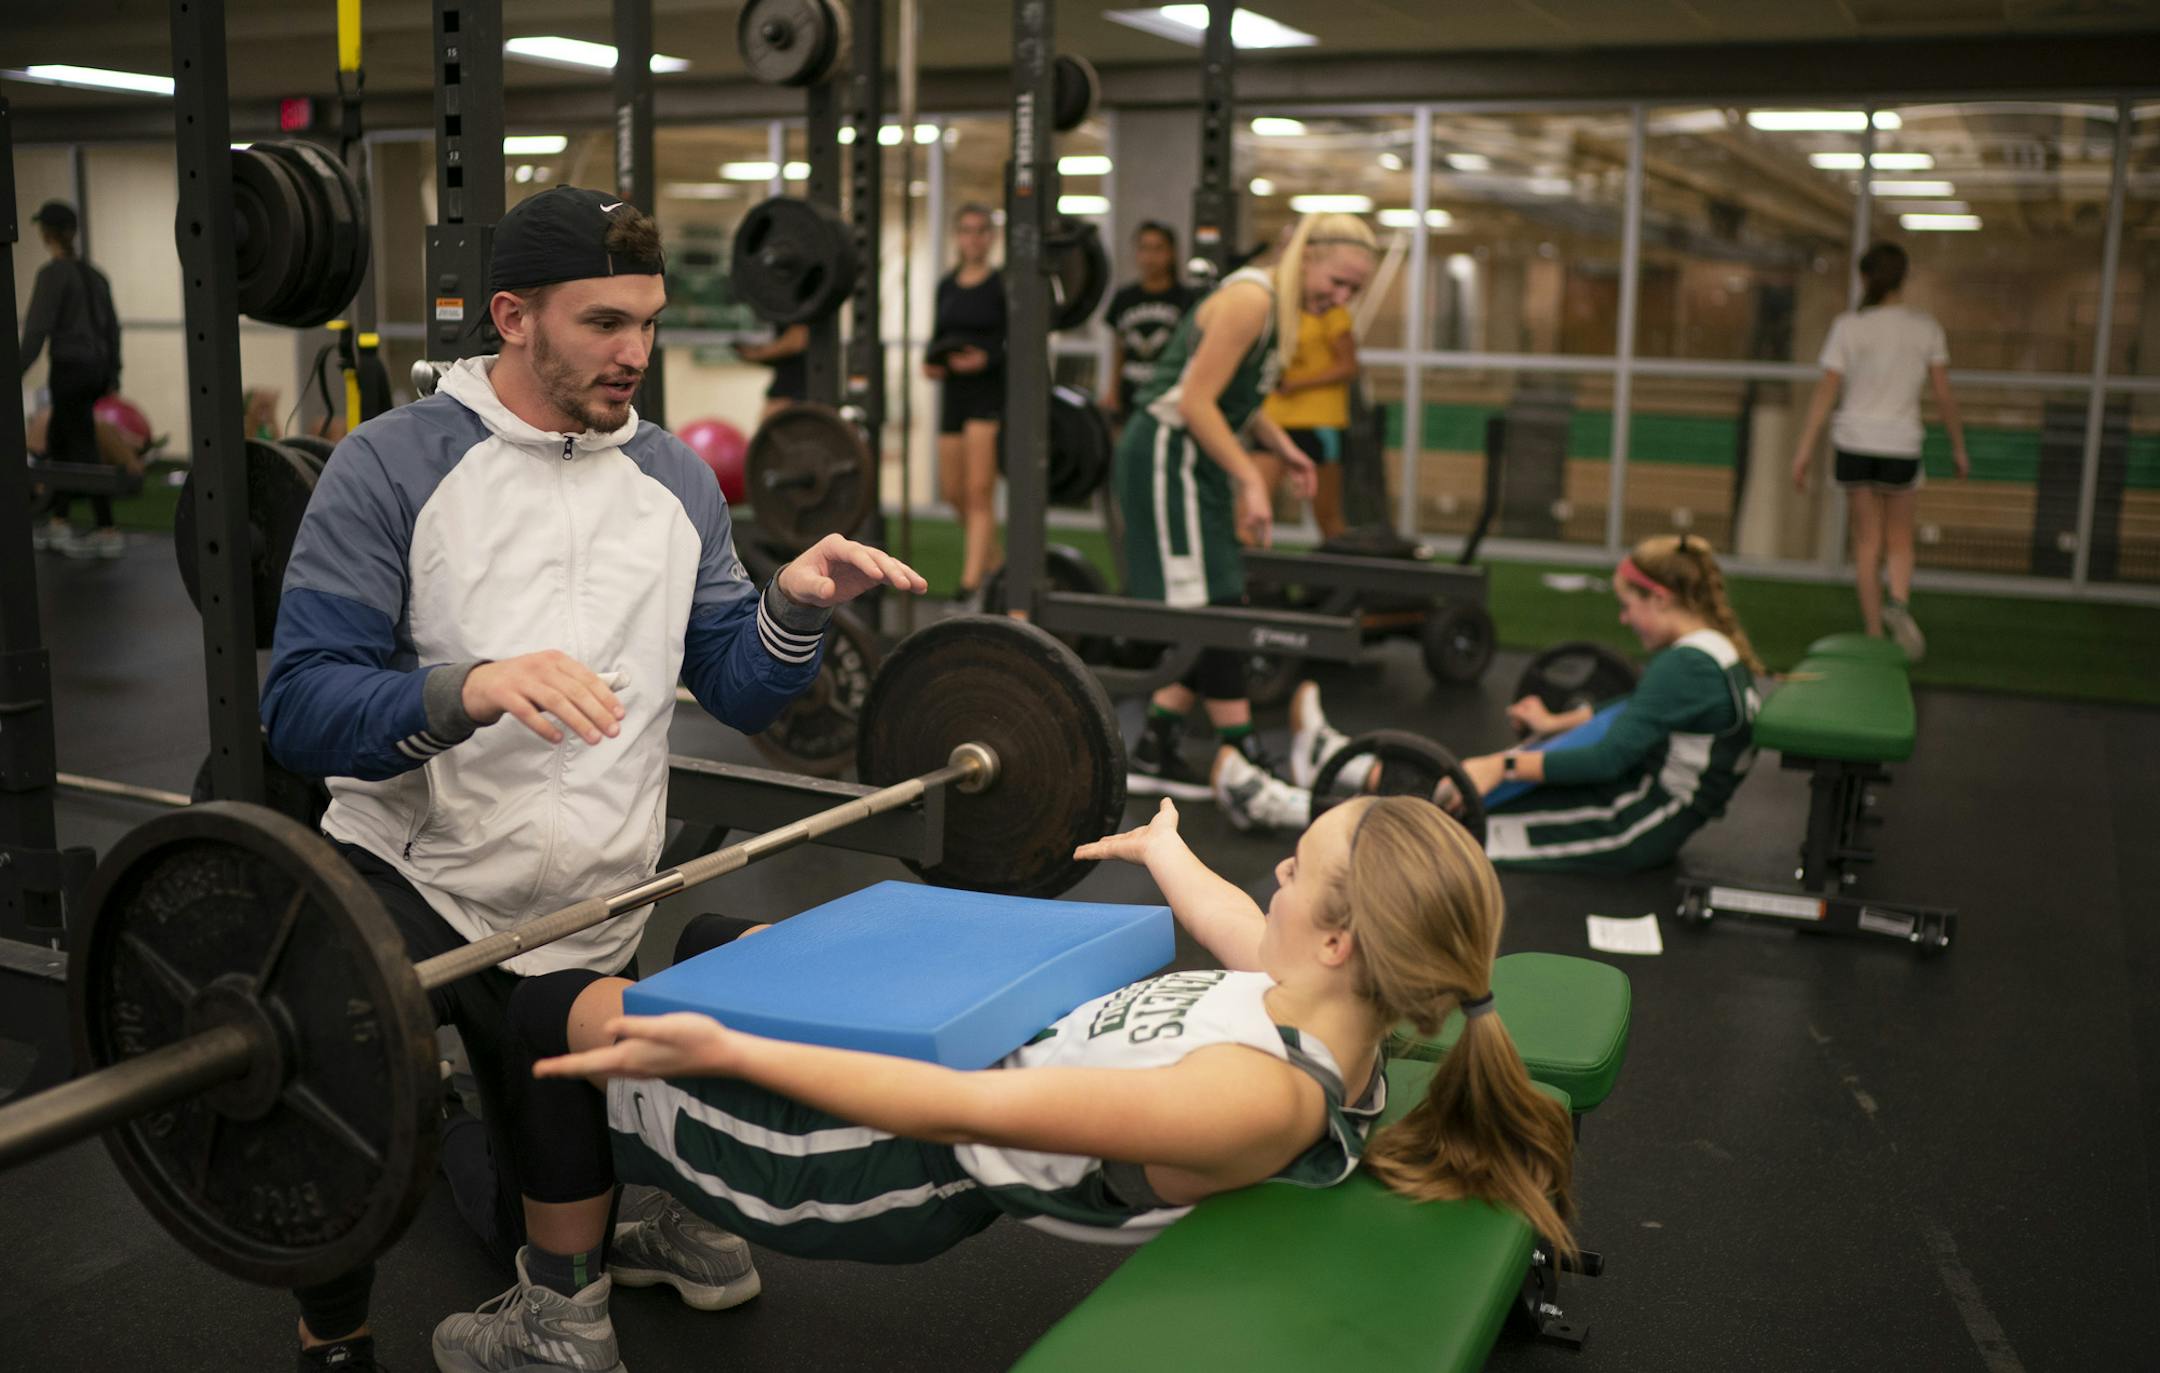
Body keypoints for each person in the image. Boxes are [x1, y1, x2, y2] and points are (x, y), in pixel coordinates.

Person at [257, 186, 926, 1373]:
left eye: (651, 323)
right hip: (419, 875)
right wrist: (466, 687)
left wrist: (793, 606)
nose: (637, 354)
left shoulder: (675, 478)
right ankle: (334, 1331)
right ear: (511, 316)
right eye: (604, 323)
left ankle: (618, 1230)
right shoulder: (392, 466)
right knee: (348, 1109)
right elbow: (301, 704)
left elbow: (734, 685)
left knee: (541, 1210)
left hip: (591, 904)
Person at [502, 792, 1572, 1373]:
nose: (1275, 876)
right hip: (965, 1053)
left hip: (874, 1160)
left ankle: (560, 1315)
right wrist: (1163, 847)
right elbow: (1229, 922)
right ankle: (657, 1211)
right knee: (723, 934)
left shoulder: (1261, 1098)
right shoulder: (1313, 998)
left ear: (1339, 940)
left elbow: (964, 1106)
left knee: (550, 1006)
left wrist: (730, 1046)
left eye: (1294, 865)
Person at [1214, 534, 1762, 875]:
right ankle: (1344, 762)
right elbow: (1638, 711)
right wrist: (1556, 724)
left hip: (1632, 823)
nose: (1624, 620)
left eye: (1628, 606)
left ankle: (1277, 804)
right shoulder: (1709, 655)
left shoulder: (1685, 666)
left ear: (1660, 599)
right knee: (1471, 792)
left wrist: (1499, 764)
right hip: (1636, 797)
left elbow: (1606, 758)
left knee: (1457, 837)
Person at [1116, 212, 1373, 799]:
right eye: (1337, 283)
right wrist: (1253, 481)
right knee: (1214, 606)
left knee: (1221, 596)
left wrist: (1285, 449)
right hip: (1165, 453)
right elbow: (1197, 403)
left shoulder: (1279, 310)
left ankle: (1158, 742)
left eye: (1352, 291)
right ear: (1306, 256)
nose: (1341, 299)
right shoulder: (1251, 299)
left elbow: (1238, 401)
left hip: (1196, 459)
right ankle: (1243, 752)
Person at [1790, 242, 1967, 663]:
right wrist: (1959, 447)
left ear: (1865, 278)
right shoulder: (1925, 328)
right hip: (1901, 444)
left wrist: (1803, 451)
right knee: (1899, 539)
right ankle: (1899, 603)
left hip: (1854, 442)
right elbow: (1944, 395)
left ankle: (1873, 634)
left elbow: (1825, 393)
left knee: (1867, 543)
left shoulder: (1849, 327)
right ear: (1903, 279)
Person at [19, 200, 124, 559]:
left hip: (69, 369)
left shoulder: (52, 275)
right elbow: (113, 329)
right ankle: (60, 523)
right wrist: (113, 374)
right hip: (95, 371)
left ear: (47, 233)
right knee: (61, 440)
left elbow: (36, 332)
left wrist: (13, 371)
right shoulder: (95, 276)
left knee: (81, 448)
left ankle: (108, 529)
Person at [923, 203, 1007, 606]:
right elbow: (938, 336)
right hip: (954, 393)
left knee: (978, 491)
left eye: (981, 231)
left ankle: (970, 583)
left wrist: (986, 360)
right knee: (953, 490)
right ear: (958, 237)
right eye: (967, 231)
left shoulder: (1001, 285)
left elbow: (1016, 343)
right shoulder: (947, 285)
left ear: (991, 237)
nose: (974, 239)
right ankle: (996, 563)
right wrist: (932, 363)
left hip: (987, 393)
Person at [1259, 296, 1360, 539]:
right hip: (1273, 423)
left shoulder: (1332, 311)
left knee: (1327, 516)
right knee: (1251, 509)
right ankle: (1250, 574)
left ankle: (1337, 574)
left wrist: (1297, 383)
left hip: (1318, 423)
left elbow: (1349, 366)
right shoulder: (1273, 307)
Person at [1103, 221, 1197, 423]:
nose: (1150, 257)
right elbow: (1118, 346)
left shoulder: (1186, 299)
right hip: (1131, 391)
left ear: (1171, 253)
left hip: (1169, 393)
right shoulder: (1124, 297)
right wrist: (1113, 390)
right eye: (1144, 248)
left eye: (1158, 249)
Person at [733, 322, 808, 424]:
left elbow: (798, 340)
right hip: (791, 377)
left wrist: (757, 353)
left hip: (801, 380)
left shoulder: (798, 308)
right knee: (769, 425)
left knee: (771, 424)